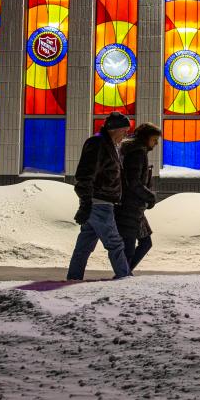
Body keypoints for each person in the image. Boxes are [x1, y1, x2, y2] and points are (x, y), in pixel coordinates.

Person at [66, 112, 132, 281]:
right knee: (114, 242)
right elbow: (85, 175)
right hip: (99, 203)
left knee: (84, 245)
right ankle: (124, 276)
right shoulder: (97, 144)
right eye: (124, 130)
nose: (125, 135)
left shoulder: (109, 145)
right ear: (114, 129)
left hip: (99, 202)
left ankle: (74, 277)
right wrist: (85, 203)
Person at [116, 123, 161, 272]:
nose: (155, 144)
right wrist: (150, 197)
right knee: (129, 246)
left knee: (144, 243)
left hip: (134, 207)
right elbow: (133, 182)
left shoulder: (132, 150)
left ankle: (125, 272)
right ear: (146, 138)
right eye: (154, 140)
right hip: (130, 207)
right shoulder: (137, 153)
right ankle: (123, 275)